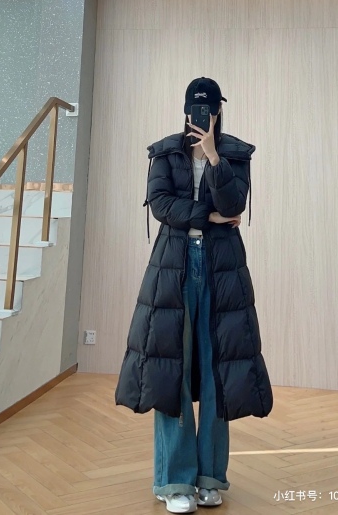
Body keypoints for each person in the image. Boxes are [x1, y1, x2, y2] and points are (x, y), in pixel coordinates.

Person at [115, 77, 273, 514]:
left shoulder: (235, 154)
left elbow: (235, 204)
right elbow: (160, 204)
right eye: (195, 108)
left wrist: (214, 157)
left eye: (209, 109)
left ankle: (210, 478)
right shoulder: (165, 152)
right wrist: (209, 216)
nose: (202, 116)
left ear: (218, 111)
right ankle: (175, 481)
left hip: (222, 271)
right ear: (186, 110)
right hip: (174, 269)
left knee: (218, 372)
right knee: (172, 372)